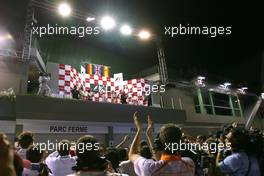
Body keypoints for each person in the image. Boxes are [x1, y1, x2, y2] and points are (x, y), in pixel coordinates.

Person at [129, 112, 195, 176]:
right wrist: (149, 135)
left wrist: (139, 129)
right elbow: (164, 161)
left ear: (159, 144)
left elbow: (132, 154)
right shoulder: (189, 164)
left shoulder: (149, 168)